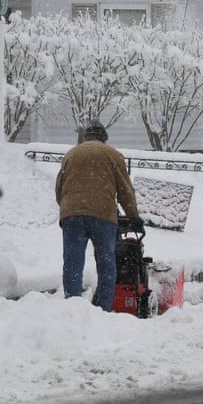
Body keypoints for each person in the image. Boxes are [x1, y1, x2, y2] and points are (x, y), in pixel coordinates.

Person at [55, 120, 140, 311]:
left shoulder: (71, 154)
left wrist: (70, 209)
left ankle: (72, 307)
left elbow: (59, 188)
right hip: (102, 215)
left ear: (86, 137)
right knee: (106, 262)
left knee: (73, 261)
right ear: (104, 138)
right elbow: (125, 190)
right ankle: (103, 308)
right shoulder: (112, 154)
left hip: (72, 214)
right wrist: (133, 217)